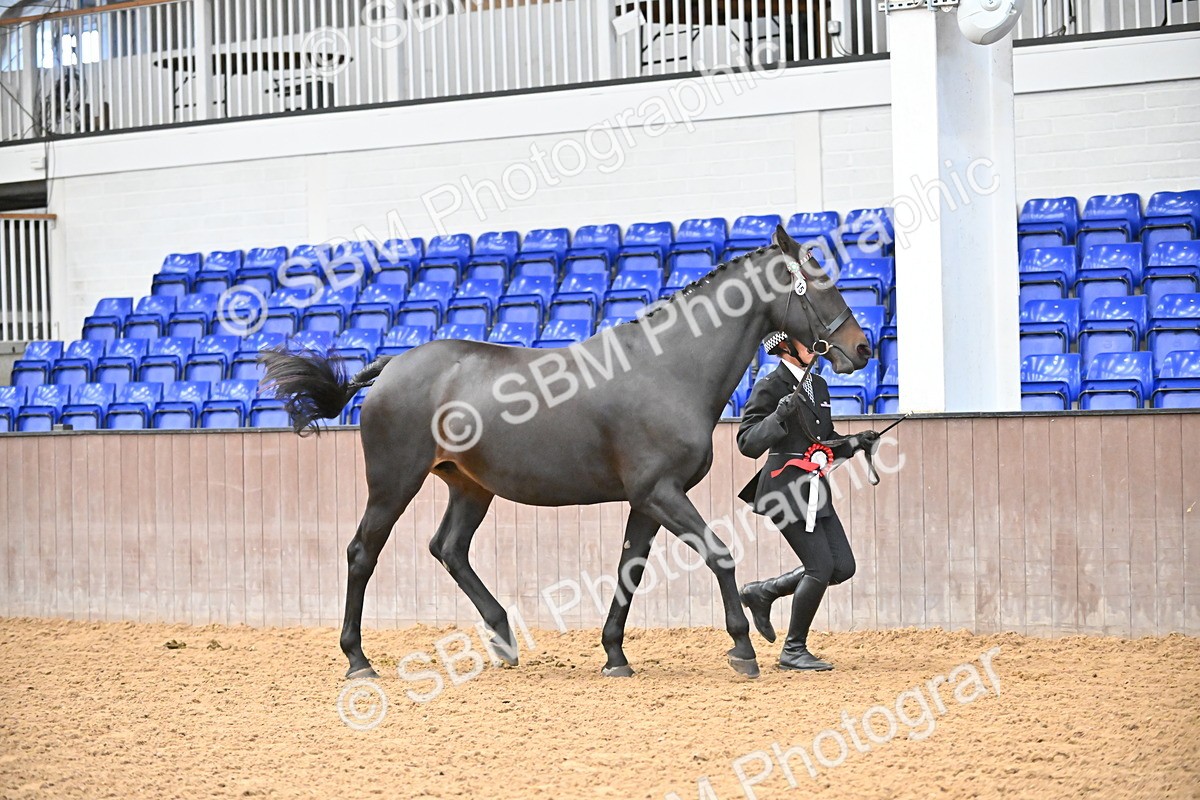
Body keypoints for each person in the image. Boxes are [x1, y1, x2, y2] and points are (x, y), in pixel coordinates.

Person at [735, 331, 879, 671]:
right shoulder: (769, 386)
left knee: (842, 566)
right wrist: (777, 417)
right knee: (820, 567)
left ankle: (764, 592)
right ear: (785, 347)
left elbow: (822, 442)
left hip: (815, 488)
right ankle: (793, 649)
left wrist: (856, 442)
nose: (813, 346)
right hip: (784, 488)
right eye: (804, 341)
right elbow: (747, 442)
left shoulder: (819, 386)